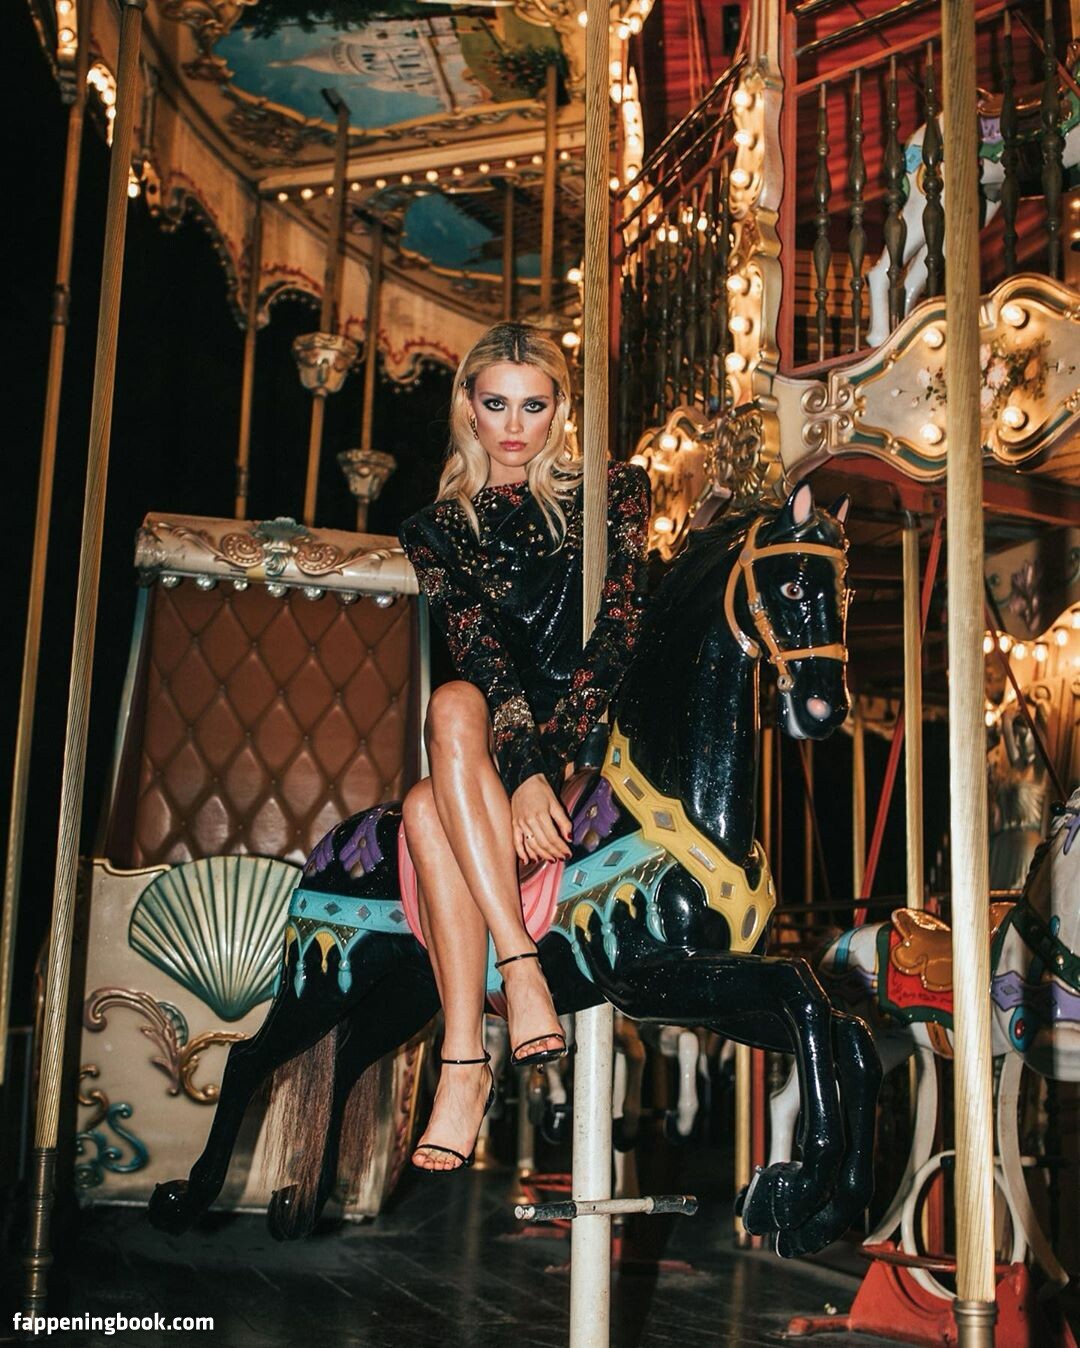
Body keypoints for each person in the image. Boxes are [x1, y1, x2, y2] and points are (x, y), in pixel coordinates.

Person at [397, 322, 651, 1172]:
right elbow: (483, 656)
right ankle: (519, 968)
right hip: (492, 744)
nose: (513, 426)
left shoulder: (614, 492)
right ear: (467, 406)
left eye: (533, 406)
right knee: (454, 697)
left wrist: (556, 765)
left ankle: (463, 1061)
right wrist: (522, 773)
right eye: (496, 404)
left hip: (590, 732)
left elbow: (619, 629)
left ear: (560, 410)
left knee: (425, 807)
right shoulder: (437, 528)